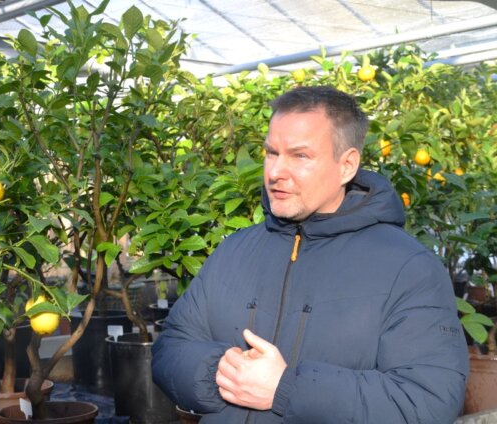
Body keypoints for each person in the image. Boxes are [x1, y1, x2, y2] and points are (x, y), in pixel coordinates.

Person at [151, 86, 468, 423]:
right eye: (272, 153)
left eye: (300, 156)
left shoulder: (409, 268)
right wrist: (217, 371)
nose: (275, 172)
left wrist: (285, 389)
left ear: (346, 166)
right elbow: (170, 347)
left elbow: (427, 402)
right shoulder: (235, 250)